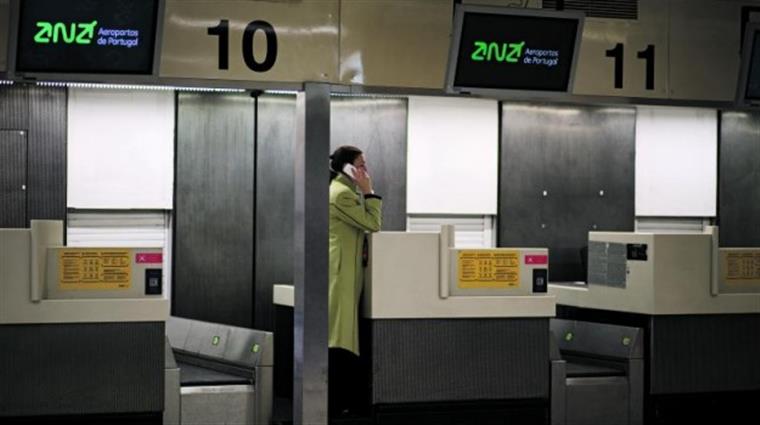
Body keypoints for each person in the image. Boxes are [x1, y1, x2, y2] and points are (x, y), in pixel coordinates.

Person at [328, 145, 383, 419]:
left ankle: (339, 403)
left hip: (346, 272)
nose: (365, 170)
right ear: (348, 168)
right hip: (341, 275)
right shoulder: (341, 196)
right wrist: (369, 192)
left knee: (343, 335)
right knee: (340, 337)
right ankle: (337, 405)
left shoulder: (343, 192)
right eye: (360, 165)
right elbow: (373, 223)